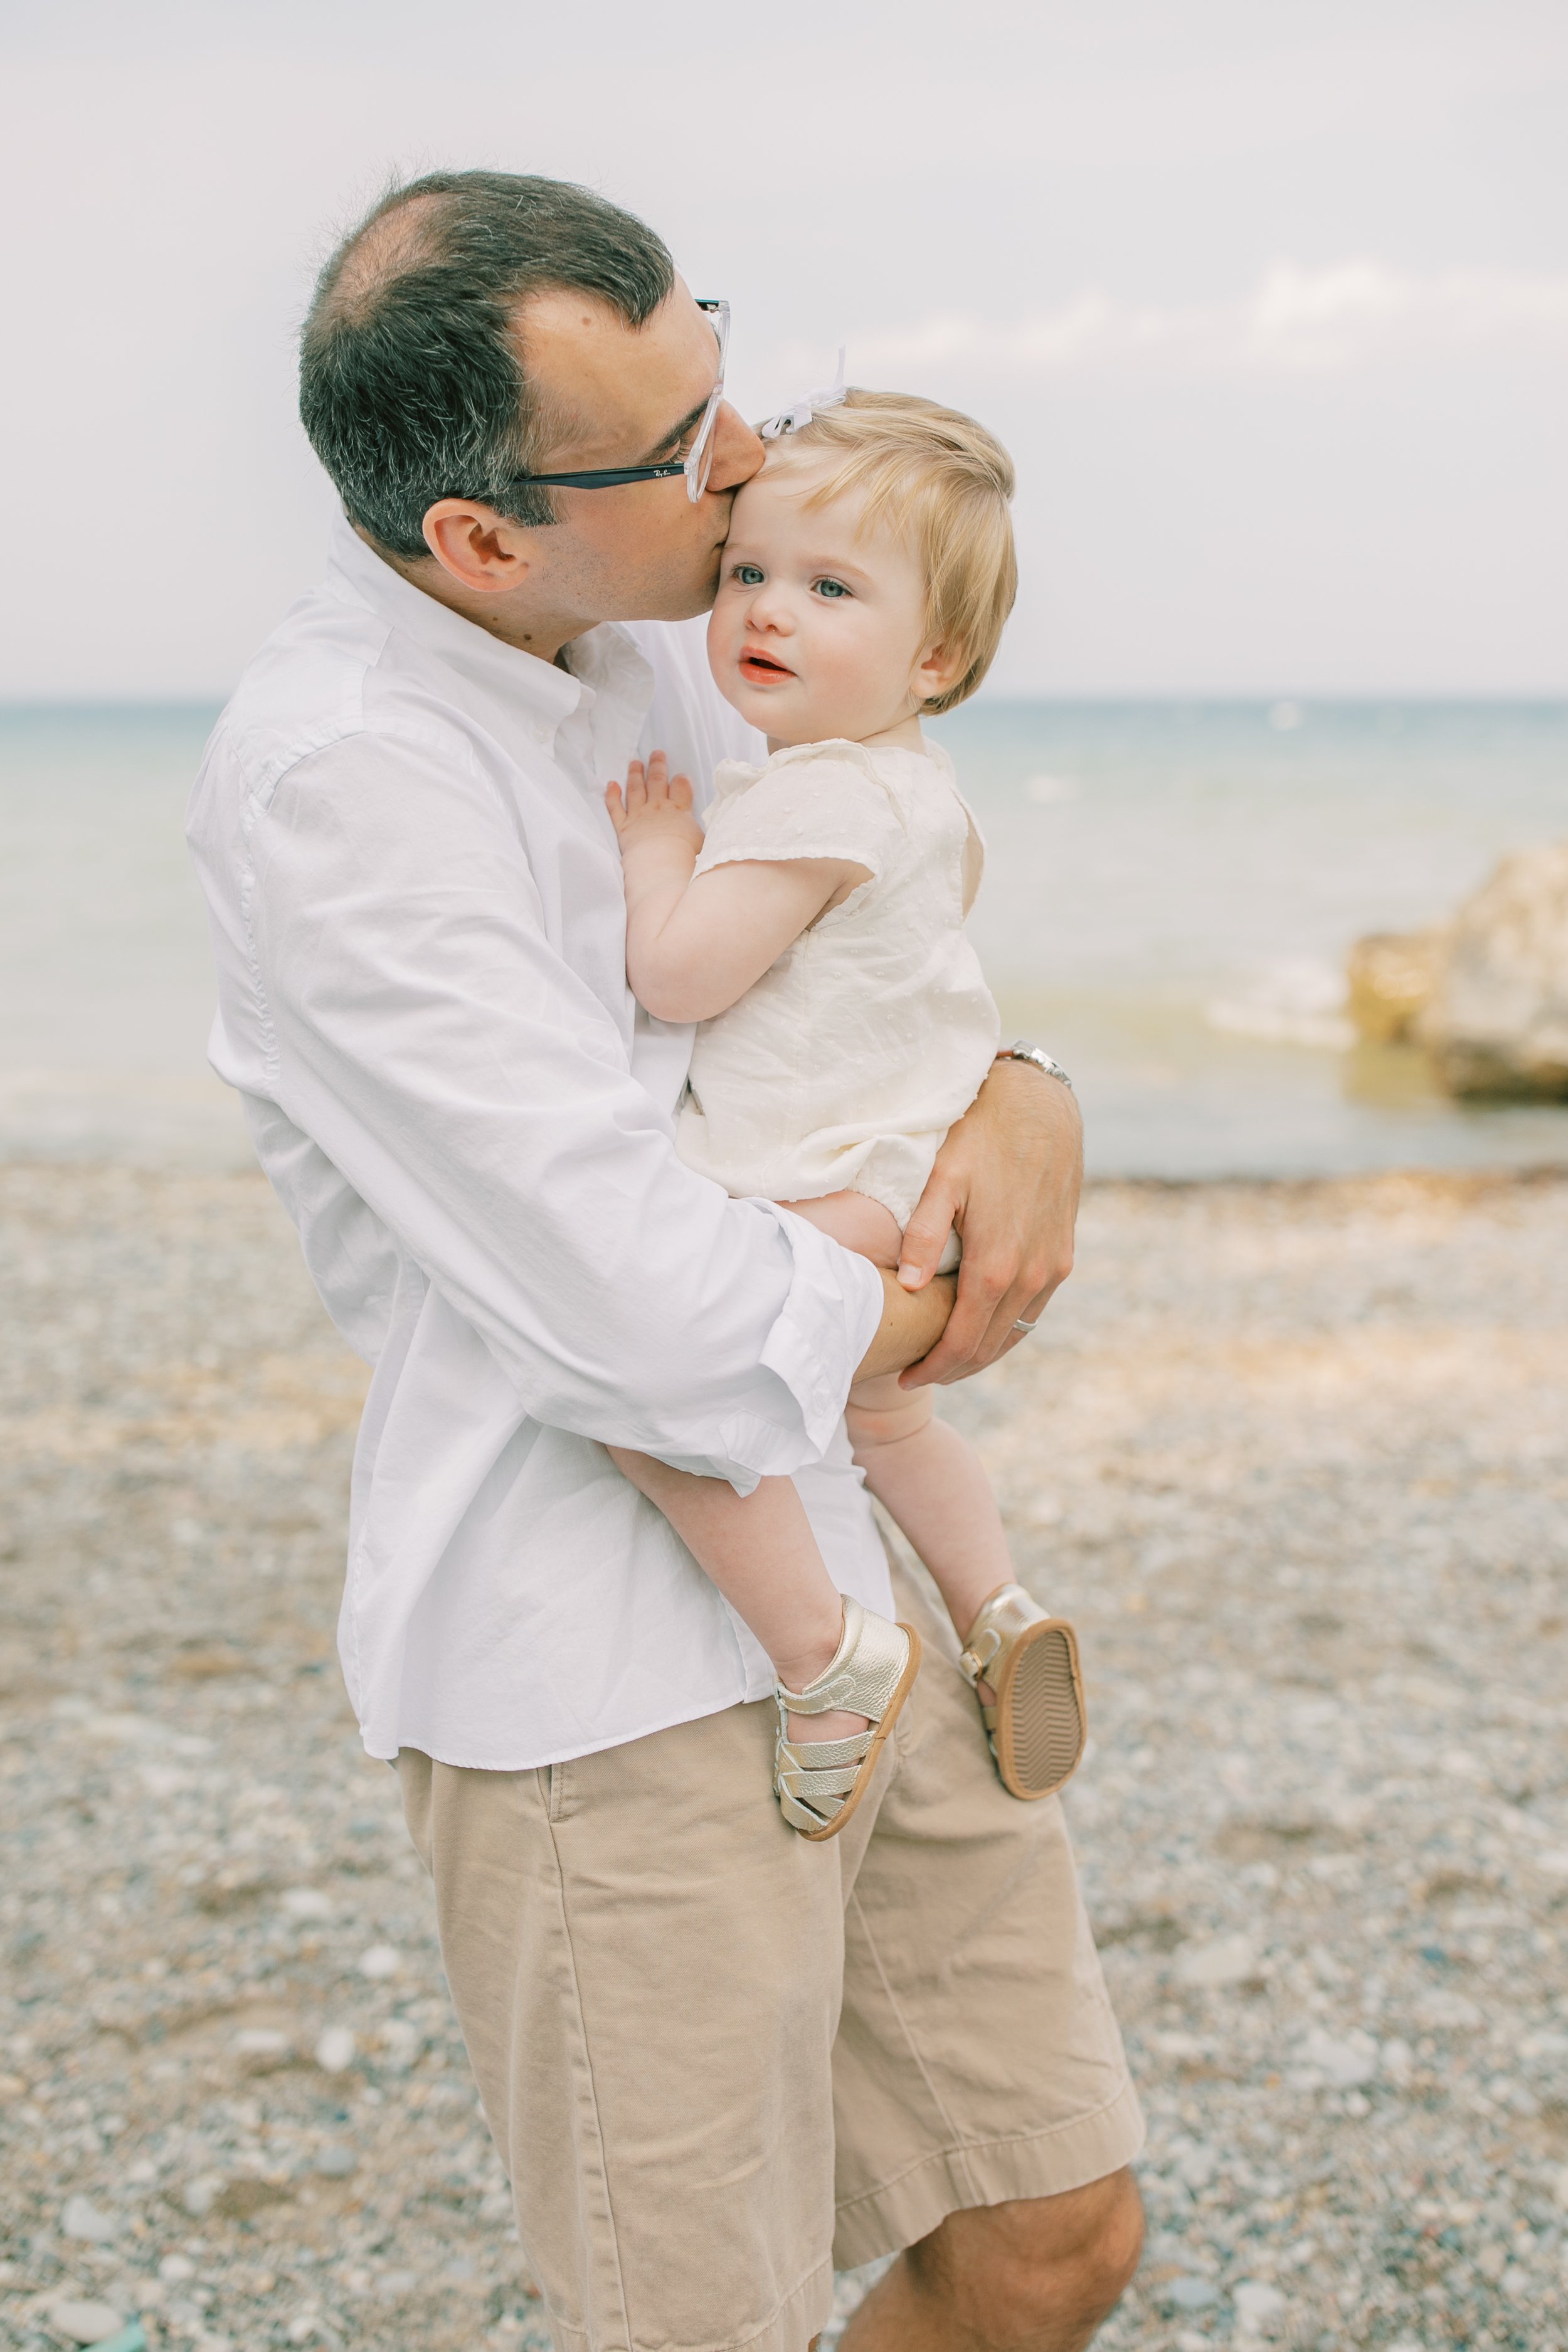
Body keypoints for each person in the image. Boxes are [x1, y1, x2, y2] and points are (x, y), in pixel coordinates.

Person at [186, 169, 1144, 2352]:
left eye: (730, 383)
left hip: (835, 1586)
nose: (744, 471)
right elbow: (617, 1287)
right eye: (681, 445)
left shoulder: (674, 626)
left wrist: (1030, 1092)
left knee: (1047, 2232)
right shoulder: (345, 785)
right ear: (478, 540)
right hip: (592, 1662)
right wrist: (907, 1309)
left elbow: (871, 936)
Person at [603, 389, 1086, 1842]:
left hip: (817, 1176)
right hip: (898, 1165)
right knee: (886, 1410)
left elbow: (680, 975)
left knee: (648, 1389)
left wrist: (654, 850)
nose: (766, 611)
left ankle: (825, 1656)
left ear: (934, 654)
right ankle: (992, 1606)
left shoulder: (803, 803)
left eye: (828, 589)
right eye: (747, 571)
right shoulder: (914, 792)